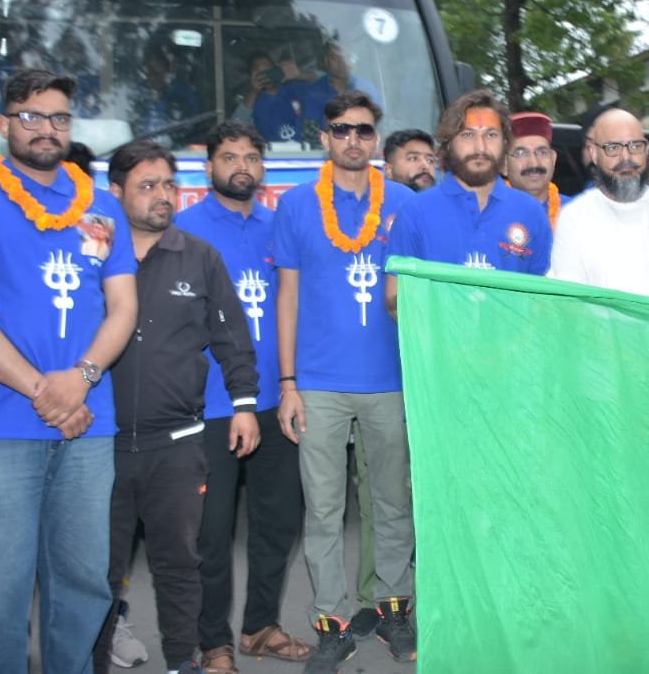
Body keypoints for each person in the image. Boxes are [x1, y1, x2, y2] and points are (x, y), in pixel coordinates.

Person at [0, 68, 138, 673]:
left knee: (84, 586)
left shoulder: (101, 207)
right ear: (3, 124)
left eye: (59, 117)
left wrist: (82, 378)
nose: (46, 129)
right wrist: (46, 392)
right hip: (0, 428)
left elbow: (123, 307)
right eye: (31, 116)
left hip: (88, 427)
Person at [95, 140, 261, 674]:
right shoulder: (92, 252)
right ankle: (94, 655)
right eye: (148, 186)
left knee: (179, 565)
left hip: (178, 443)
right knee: (98, 569)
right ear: (115, 192)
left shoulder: (199, 256)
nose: (162, 195)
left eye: (169, 184)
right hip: (99, 443)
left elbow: (232, 337)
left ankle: (180, 662)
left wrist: (244, 404)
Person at [274, 92, 417, 671]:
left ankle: (392, 608)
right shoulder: (296, 204)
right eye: (341, 129)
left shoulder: (404, 203)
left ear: (375, 138)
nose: (352, 139)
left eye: (362, 129)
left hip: (390, 379)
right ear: (324, 137)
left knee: (393, 503)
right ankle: (331, 622)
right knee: (324, 509)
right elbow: (287, 296)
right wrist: (288, 382)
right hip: (319, 383)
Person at [175, 123, 309, 673]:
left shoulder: (279, 228)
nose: (242, 167)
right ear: (208, 167)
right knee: (211, 532)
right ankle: (214, 642)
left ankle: (259, 627)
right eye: (230, 157)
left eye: (252, 157)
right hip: (210, 405)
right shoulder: (183, 231)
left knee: (278, 521)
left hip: (276, 400)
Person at [385, 90, 552, 316]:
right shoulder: (415, 212)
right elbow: (395, 302)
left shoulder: (530, 212)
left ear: (505, 144)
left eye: (491, 134)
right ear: (448, 145)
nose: (480, 147)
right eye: (467, 135)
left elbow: (543, 303)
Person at [549, 107, 649, 302]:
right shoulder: (574, 218)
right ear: (594, 154)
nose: (626, 158)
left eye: (635, 146)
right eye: (613, 147)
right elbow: (571, 304)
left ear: (646, 150)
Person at [300, 43, 381, 134]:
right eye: (336, 57)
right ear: (326, 60)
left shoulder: (367, 89)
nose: (342, 62)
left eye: (347, 57)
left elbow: (379, 127)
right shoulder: (314, 93)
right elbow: (311, 134)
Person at [504, 112, 567, 227]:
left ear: (553, 159)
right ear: (504, 164)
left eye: (542, 152)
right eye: (521, 153)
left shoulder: (577, 212)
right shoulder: (487, 215)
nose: (534, 163)